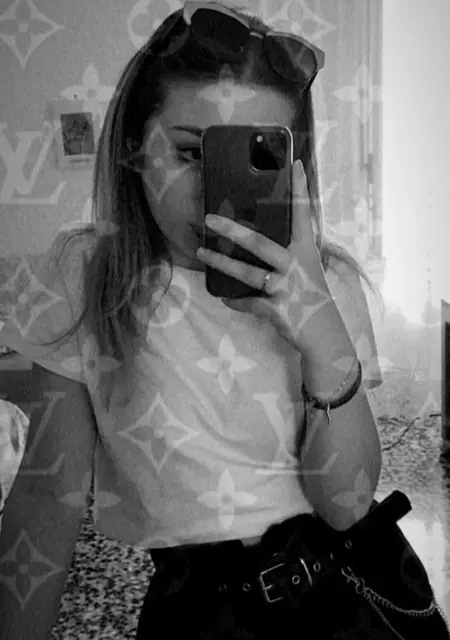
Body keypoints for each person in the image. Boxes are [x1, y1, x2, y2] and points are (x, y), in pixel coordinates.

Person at [0, 2, 386, 638]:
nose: (217, 193)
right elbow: (46, 497)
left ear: (293, 168)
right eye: (189, 151)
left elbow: (348, 505)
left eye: (253, 156)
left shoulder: (330, 283)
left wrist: (322, 334)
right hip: (195, 613)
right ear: (133, 145)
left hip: (341, 599)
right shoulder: (87, 277)